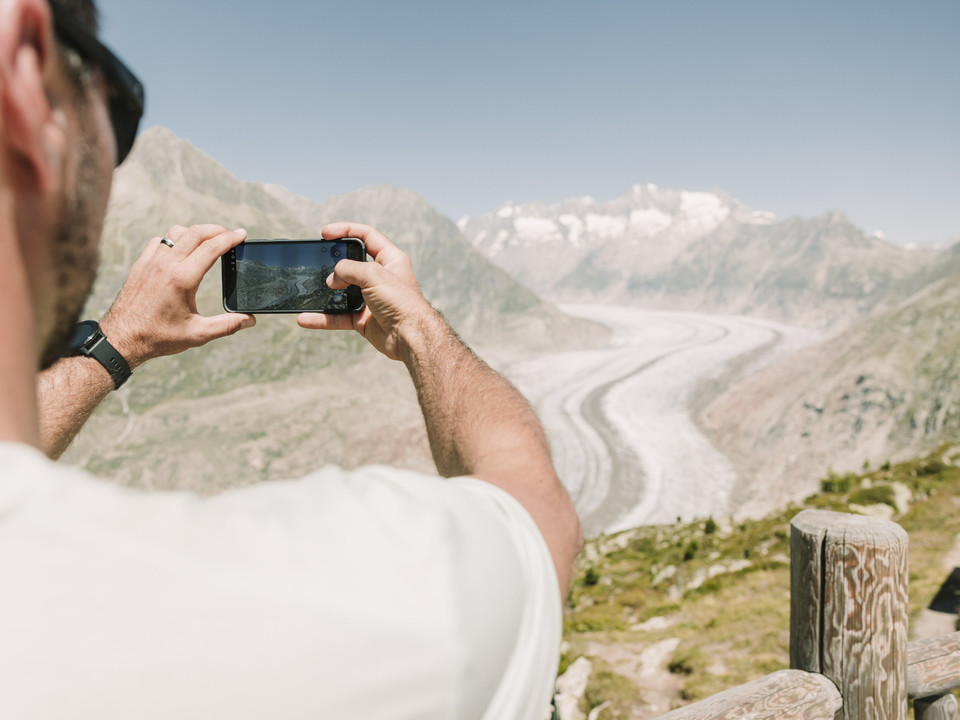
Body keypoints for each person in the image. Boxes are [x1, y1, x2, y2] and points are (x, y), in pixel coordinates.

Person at [0, 0, 582, 718]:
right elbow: (538, 515)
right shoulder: (329, 605)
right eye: (118, 110)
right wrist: (421, 332)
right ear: (25, 77)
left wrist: (117, 344)